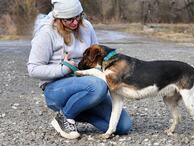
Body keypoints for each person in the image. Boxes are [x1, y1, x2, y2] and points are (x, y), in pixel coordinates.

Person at [27, 0, 131, 139]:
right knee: (98, 86)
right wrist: (63, 69)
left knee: (123, 126)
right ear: (58, 18)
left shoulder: (86, 26)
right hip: (56, 89)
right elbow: (33, 69)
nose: (75, 23)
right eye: (69, 19)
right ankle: (65, 117)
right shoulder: (46, 33)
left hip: (87, 86)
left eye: (78, 16)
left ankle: (77, 112)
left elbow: (97, 56)